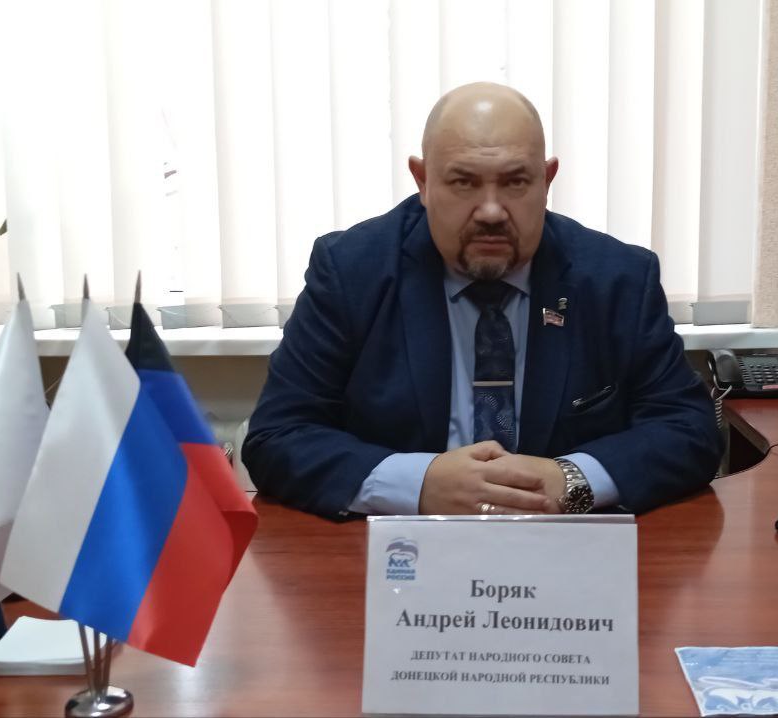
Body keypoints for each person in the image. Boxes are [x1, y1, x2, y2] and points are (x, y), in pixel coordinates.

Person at [244, 82, 720, 519]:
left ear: (547, 180)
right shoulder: (352, 272)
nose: (491, 210)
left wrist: (573, 478)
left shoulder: (617, 278)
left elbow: (688, 429)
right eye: (463, 182)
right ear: (422, 181)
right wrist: (418, 483)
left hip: (562, 551)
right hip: (402, 555)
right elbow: (278, 436)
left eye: (515, 181)